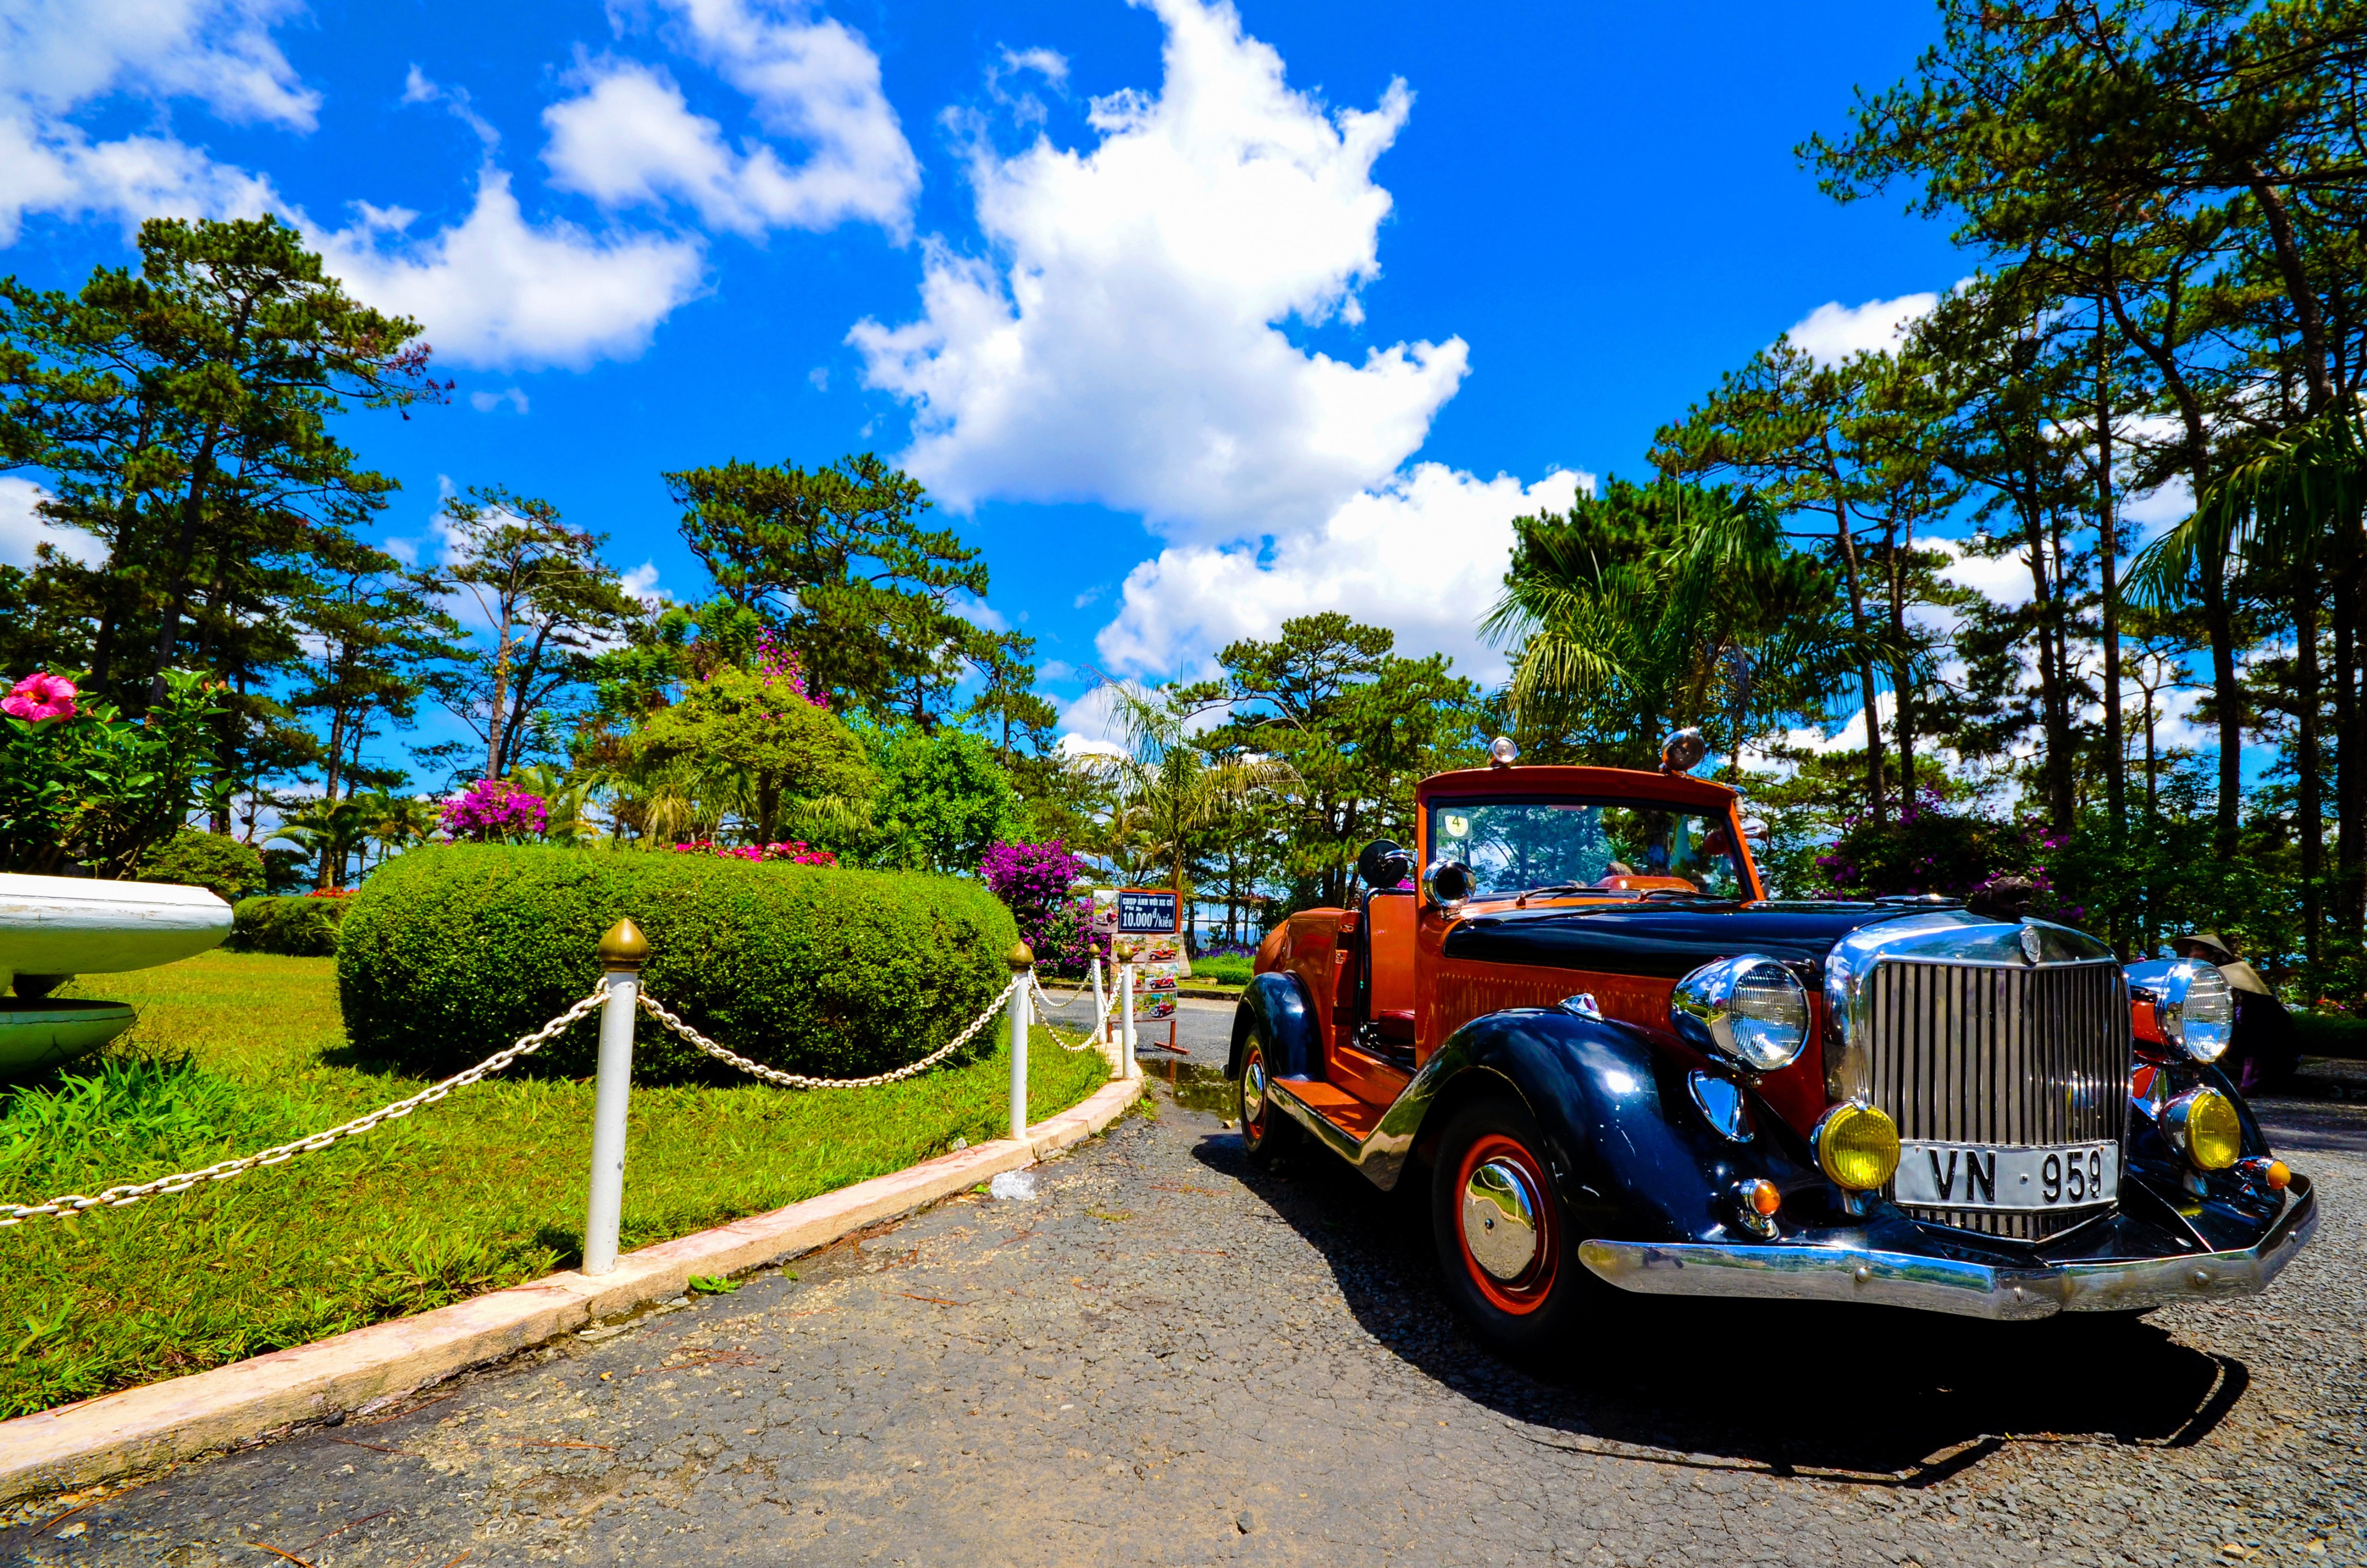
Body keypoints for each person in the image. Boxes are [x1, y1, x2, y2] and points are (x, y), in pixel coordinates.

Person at [2171, 931, 2299, 1095]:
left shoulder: (2238, 973)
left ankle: (2249, 1084)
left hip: (2277, 1052)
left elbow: (2262, 1030)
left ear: (2213, 953)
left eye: (2198, 950)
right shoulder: (2205, 978)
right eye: (2191, 951)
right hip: (2242, 1045)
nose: (2193, 955)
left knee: (2256, 1028)